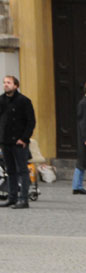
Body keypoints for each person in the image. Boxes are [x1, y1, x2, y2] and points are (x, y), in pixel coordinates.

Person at [0, 75, 36, 209]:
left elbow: (31, 122)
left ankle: (24, 199)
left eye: (8, 83)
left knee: (22, 170)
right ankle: (12, 197)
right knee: (10, 171)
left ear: (16, 85)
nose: (5, 85)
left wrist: (24, 138)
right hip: (5, 141)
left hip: (19, 141)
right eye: (4, 83)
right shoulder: (1, 100)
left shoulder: (24, 101)